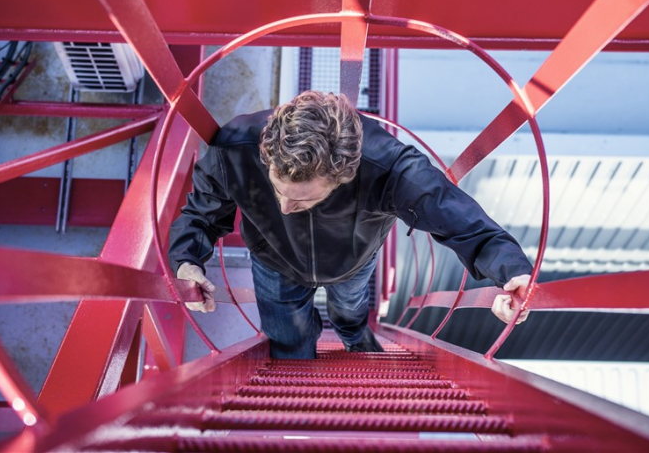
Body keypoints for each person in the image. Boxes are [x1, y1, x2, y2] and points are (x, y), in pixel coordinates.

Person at [168, 90, 532, 359]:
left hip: (351, 263)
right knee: (288, 341)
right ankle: (299, 389)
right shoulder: (235, 149)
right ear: (267, 154)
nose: (286, 208)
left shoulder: (390, 169)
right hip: (273, 261)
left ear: (342, 176)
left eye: (303, 199)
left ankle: (356, 340)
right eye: (278, 190)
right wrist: (186, 261)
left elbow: (463, 222)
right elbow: (201, 214)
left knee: (351, 313)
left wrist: (511, 272)